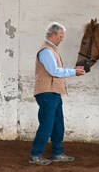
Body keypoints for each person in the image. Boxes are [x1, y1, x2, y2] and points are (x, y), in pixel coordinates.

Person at [29, 22, 85, 165]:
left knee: (57, 125)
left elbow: (56, 71)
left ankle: (57, 153)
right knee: (47, 125)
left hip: (53, 92)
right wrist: (73, 71)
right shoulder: (46, 51)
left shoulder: (51, 49)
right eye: (60, 36)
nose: (61, 39)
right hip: (47, 93)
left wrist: (73, 70)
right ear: (53, 35)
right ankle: (35, 155)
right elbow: (54, 71)